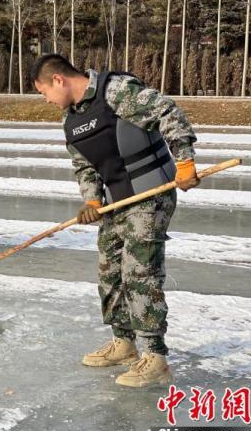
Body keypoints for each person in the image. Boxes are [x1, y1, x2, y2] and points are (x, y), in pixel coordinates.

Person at [31, 53, 200, 388]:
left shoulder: (117, 91)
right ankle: (124, 342)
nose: (46, 100)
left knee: (139, 271)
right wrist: (92, 200)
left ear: (59, 80)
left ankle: (155, 356)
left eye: (43, 92)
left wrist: (184, 162)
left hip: (151, 194)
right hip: (117, 202)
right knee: (110, 271)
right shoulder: (72, 120)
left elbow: (168, 112)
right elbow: (85, 166)